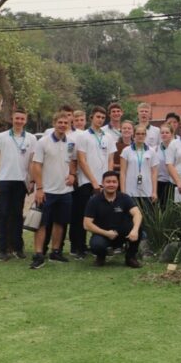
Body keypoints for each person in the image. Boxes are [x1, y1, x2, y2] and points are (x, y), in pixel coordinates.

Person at [29, 111, 78, 269]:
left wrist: (72, 174)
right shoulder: (43, 142)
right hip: (47, 191)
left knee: (60, 223)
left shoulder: (70, 142)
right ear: (54, 123)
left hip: (65, 191)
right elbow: (36, 165)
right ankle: (38, 254)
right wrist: (40, 188)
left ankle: (55, 251)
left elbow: (71, 161)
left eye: (66, 123)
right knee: (41, 224)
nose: (63, 125)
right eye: (60, 122)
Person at [0, 107, 34, 261]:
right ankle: (2, 249)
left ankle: (18, 247)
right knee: (3, 215)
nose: (19, 121)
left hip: (21, 182)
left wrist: (32, 180)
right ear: (12, 119)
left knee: (17, 215)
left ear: (26, 120)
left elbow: (31, 162)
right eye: (17, 118)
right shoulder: (1, 137)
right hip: (4, 180)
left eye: (22, 119)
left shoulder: (31, 138)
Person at [71, 106, 112, 259]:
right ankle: (79, 248)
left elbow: (110, 159)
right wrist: (94, 181)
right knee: (82, 216)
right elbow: (81, 160)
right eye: (97, 117)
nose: (100, 120)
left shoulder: (108, 137)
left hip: (104, 183)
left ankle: (101, 246)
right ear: (91, 118)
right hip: (87, 182)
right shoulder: (83, 136)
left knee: (102, 216)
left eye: (102, 117)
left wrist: (107, 180)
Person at [83, 171, 143, 267]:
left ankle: (130, 257)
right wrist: (106, 233)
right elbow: (87, 224)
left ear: (118, 183)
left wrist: (135, 230)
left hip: (123, 233)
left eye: (114, 182)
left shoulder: (124, 197)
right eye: (108, 182)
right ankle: (101, 257)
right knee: (97, 245)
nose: (111, 184)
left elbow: (137, 214)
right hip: (103, 234)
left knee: (138, 227)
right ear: (102, 183)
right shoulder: (94, 200)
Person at [119, 124, 158, 206]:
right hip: (130, 191)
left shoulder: (151, 151)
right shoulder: (126, 151)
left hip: (147, 190)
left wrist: (154, 191)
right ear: (133, 135)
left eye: (143, 134)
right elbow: (122, 172)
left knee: (147, 217)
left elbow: (154, 173)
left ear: (146, 135)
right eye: (138, 134)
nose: (140, 136)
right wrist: (123, 192)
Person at [156, 125, 176, 205]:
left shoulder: (177, 147)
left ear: (171, 134)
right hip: (160, 182)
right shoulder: (156, 149)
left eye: (167, 132)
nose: (164, 134)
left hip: (174, 182)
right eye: (162, 132)